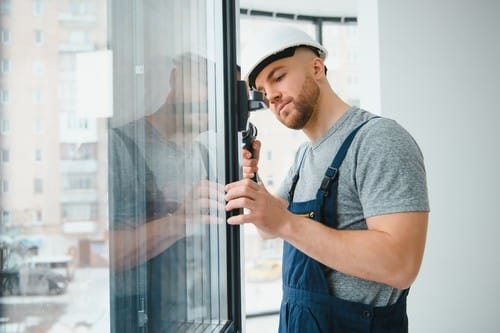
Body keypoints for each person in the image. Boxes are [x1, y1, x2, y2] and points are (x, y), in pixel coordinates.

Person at [225, 25, 429, 332]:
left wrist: (284, 222)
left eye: (279, 76)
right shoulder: (303, 157)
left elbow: (401, 265)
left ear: (317, 67)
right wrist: (255, 181)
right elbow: (270, 228)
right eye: (264, 92)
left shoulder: (378, 139)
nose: (272, 96)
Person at [109, 53, 222, 332]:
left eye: (219, 92)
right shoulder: (119, 146)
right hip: (135, 318)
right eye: (203, 82)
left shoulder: (205, 157)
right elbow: (101, 256)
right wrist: (179, 221)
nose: (209, 97)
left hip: (195, 315)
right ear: (175, 78)